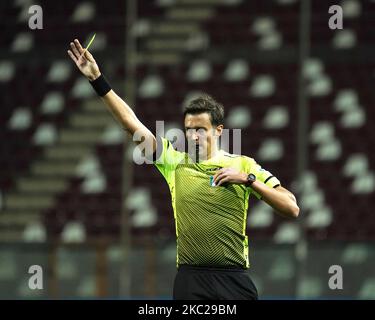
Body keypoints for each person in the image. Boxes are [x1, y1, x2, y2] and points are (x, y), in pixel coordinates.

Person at [68, 39, 300, 300]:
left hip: (234, 279)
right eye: (189, 130)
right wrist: (97, 80)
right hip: (191, 281)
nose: (193, 136)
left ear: (218, 131)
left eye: (200, 129)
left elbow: (291, 207)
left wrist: (248, 181)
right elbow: (130, 123)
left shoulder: (243, 165)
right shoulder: (173, 161)